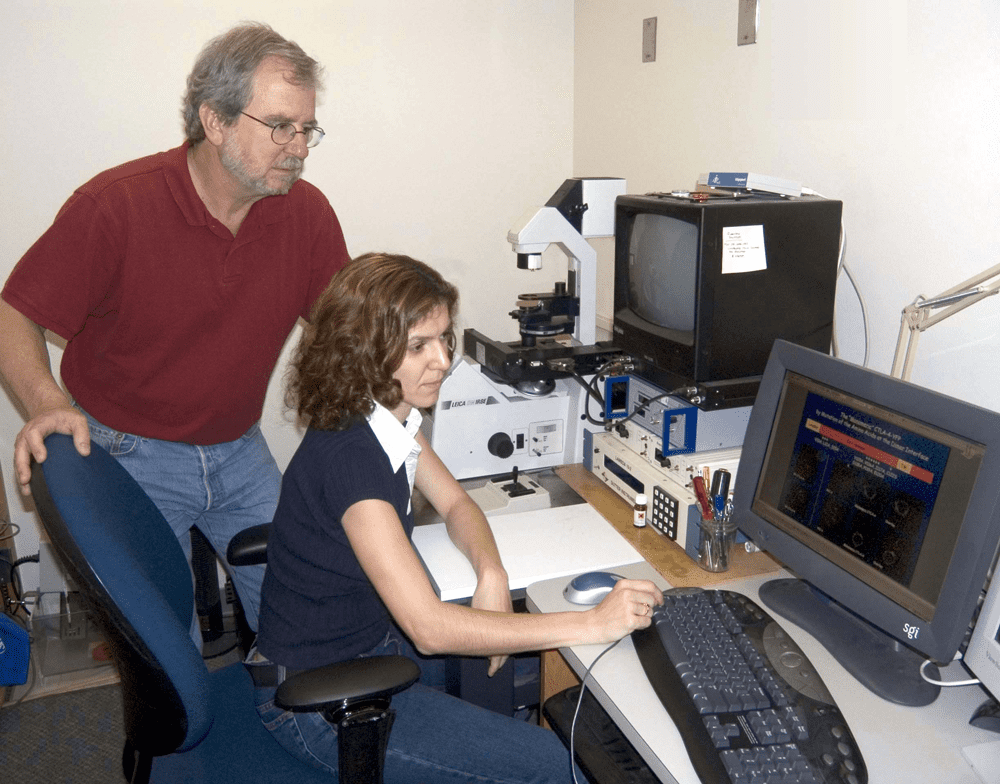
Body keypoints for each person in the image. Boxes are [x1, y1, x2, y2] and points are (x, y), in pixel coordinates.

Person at [251, 252, 663, 782]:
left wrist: (492, 574)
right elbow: (429, 629)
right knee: (560, 764)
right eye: (418, 346)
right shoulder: (352, 460)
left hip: (368, 648)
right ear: (363, 351)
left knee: (522, 676)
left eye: (444, 339)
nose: (443, 360)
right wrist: (592, 623)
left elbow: (456, 503)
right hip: (325, 706)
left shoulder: (385, 416)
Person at [0, 22, 349, 635]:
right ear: (215, 121)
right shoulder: (117, 205)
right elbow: (14, 313)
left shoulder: (306, 212)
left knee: (310, 613)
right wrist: (48, 403)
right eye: (279, 126)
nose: (298, 147)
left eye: (306, 128)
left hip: (239, 451)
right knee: (168, 647)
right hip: (126, 453)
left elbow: (348, 331)